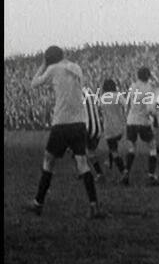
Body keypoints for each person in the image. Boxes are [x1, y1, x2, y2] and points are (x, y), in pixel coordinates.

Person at [26, 45, 105, 218]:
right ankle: (94, 205)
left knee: (49, 161)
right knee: (82, 163)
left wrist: (43, 64)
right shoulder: (76, 68)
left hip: (61, 123)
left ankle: (38, 203)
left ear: (50, 59)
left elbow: (33, 83)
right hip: (79, 123)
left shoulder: (53, 69)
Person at [122, 67, 159, 186]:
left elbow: (128, 103)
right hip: (143, 121)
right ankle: (151, 176)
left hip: (131, 120)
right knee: (152, 147)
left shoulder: (132, 86)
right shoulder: (149, 88)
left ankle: (126, 173)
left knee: (131, 149)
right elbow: (149, 108)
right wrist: (155, 114)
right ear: (148, 76)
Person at [100, 78, 127, 176]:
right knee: (113, 147)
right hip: (119, 127)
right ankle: (109, 162)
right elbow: (126, 105)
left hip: (108, 128)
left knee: (113, 150)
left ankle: (123, 171)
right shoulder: (118, 95)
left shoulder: (102, 97)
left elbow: (100, 108)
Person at [83, 86, 104, 181]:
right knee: (90, 152)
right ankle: (99, 173)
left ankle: (83, 172)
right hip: (98, 127)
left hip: (87, 127)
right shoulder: (89, 90)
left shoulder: (74, 93)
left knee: (77, 151)